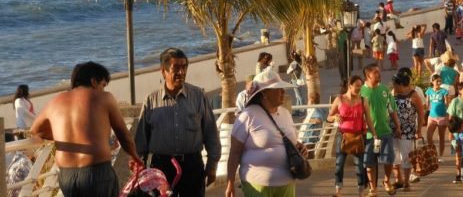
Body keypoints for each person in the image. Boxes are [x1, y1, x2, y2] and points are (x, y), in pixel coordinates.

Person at [30, 62, 142, 197]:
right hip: (96, 173)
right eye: (103, 85)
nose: (103, 90)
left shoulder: (55, 101)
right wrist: (135, 157)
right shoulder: (104, 97)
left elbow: (36, 130)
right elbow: (124, 136)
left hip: (67, 177)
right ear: (94, 81)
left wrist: (62, 136)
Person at [135, 48, 221, 197]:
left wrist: (212, 166)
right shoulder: (151, 100)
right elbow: (141, 140)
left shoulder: (198, 96)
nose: (181, 72)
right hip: (161, 168)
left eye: (184, 67)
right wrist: (139, 169)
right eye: (176, 68)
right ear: (163, 71)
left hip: (192, 165)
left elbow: (210, 132)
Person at [225, 69, 307, 197]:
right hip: (257, 185)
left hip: (287, 183)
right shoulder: (248, 115)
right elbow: (234, 152)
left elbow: (291, 141)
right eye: (278, 89)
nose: (283, 92)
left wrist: (300, 147)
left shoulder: (285, 113)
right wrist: (230, 182)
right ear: (264, 93)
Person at [327, 75, 376, 197]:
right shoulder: (339, 99)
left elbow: (369, 120)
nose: (359, 88)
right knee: (339, 164)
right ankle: (338, 191)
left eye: (360, 86)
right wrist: (334, 117)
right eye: (357, 86)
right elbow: (328, 117)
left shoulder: (363, 100)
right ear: (350, 85)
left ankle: (361, 192)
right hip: (343, 136)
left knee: (359, 166)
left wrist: (374, 135)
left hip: (358, 137)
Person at [360, 64, 401, 196]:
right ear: (368, 75)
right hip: (368, 135)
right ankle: (373, 189)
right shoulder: (361, 91)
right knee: (369, 163)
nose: (379, 74)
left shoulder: (384, 89)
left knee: (389, 159)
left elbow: (392, 109)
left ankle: (386, 181)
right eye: (375, 73)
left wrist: (398, 126)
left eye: (379, 72)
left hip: (385, 131)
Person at [390, 70, 423, 192]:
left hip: (408, 131)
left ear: (400, 84)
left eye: (394, 84)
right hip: (393, 130)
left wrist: (419, 131)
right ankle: (398, 180)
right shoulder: (393, 93)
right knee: (394, 156)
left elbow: (420, 113)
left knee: (406, 157)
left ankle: (406, 182)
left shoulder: (413, 95)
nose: (393, 86)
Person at [426, 74, 450, 159]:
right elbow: (427, 104)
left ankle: (441, 156)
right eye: (437, 81)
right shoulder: (429, 91)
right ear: (432, 81)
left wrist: (448, 116)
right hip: (431, 117)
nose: (439, 83)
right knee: (429, 136)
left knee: (441, 137)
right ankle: (433, 153)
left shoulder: (444, 91)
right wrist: (425, 113)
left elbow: (447, 104)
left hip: (442, 117)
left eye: (440, 81)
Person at [286, 51, 306, 116]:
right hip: (300, 80)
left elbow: (288, 72)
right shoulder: (301, 61)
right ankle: (297, 110)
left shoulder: (294, 63)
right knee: (298, 96)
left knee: (299, 97)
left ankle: (302, 111)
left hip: (295, 80)